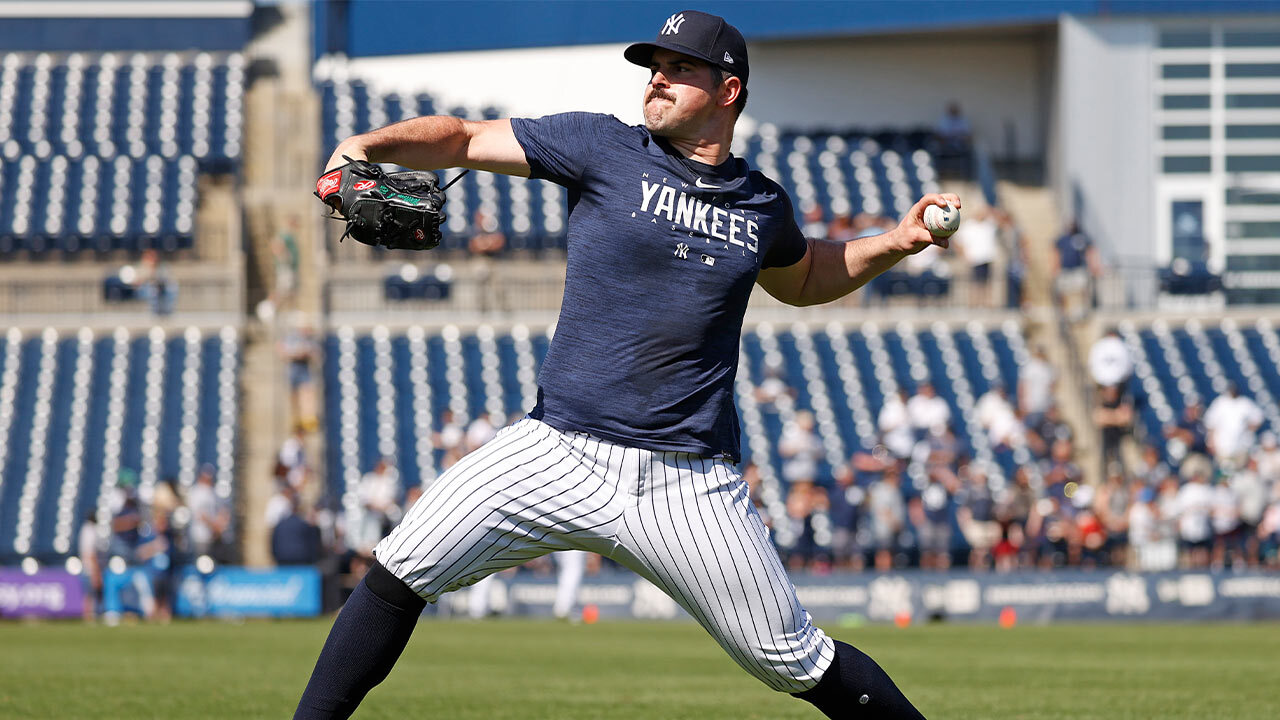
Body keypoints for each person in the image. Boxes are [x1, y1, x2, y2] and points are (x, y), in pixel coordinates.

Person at [294, 11, 948, 719]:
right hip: (557, 447)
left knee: (795, 659)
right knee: (399, 569)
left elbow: (808, 277)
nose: (657, 79)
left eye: (679, 69)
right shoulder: (601, 145)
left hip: (685, 479)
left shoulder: (761, 204)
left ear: (728, 91)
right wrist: (362, 144)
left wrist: (898, 241)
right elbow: (463, 137)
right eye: (653, 67)